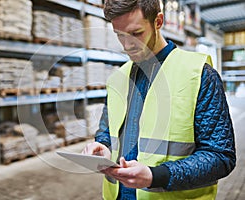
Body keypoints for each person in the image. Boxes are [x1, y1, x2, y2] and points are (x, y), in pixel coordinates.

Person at [82, 0, 236, 199]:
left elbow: (220, 157)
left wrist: (156, 176)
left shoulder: (199, 75)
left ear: (158, 21)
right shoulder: (117, 80)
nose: (128, 45)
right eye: (120, 35)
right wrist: (102, 147)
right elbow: (106, 133)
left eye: (136, 33)